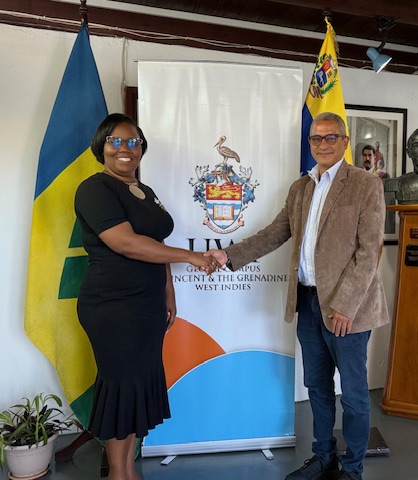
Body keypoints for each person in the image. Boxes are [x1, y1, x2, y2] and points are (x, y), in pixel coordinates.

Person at [206, 112, 389, 480]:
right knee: (317, 386)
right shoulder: (301, 188)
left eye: (331, 137)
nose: (323, 144)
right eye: (316, 138)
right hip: (308, 302)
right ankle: (324, 458)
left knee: (354, 393)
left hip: (347, 309)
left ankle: (353, 469)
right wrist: (229, 255)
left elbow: (369, 251)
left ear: (345, 141)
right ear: (310, 143)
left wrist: (345, 305)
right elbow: (275, 232)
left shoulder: (366, 184)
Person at [74, 113, 215, 480]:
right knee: (122, 387)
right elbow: (126, 243)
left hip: (146, 305)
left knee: (138, 385)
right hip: (113, 306)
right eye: (115, 141)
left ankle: (127, 469)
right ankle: (118, 474)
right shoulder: (95, 189)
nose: (125, 148)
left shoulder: (145, 191)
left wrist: (168, 290)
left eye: (133, 142)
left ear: (141, 148)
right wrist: (190, 257)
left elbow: (156, 243)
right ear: (102, 147)